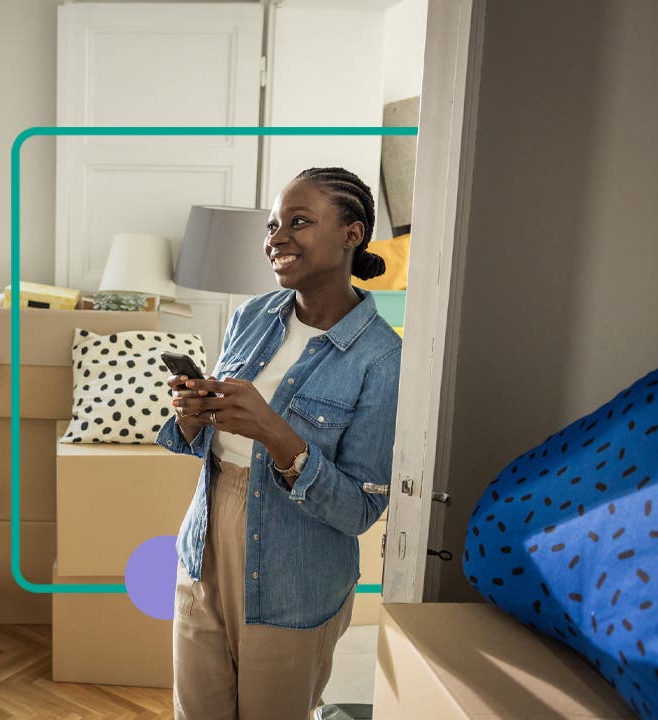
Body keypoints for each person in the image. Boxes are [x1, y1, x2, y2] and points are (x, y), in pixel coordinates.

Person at [157, 167, 402, 719]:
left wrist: (273, 431)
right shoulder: (252, 316)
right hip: (204, 544)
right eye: (272, 225)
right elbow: (212, 444)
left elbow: (361, 509)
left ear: (351, 234)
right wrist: (193, 416)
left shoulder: (383, 360)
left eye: (299, 221)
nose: (276, 238)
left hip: (297, 571)